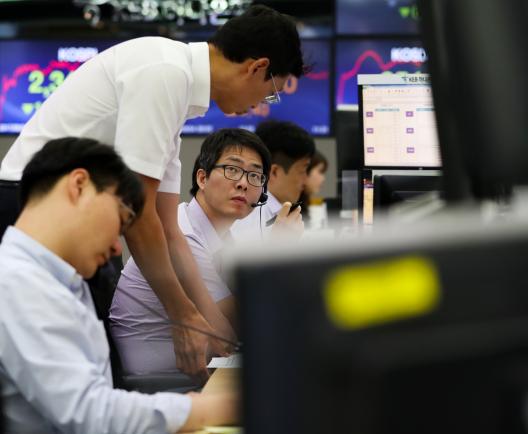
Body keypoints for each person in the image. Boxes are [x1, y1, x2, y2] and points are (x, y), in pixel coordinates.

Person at [0, 4, 307, 380]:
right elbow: (139, 213)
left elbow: (167, 227)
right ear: (257, 67)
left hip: (71, 217)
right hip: (33, 210)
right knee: (81, 377)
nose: (261, 105)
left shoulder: (176, 87)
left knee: (96, 372)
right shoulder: (165, 73)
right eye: (271, 92)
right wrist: (182, 315)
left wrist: (213, 329)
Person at [0, 137, 237, 434]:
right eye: (121, 220)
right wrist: (210, 408)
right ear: (79, 185)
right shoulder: (18, 282)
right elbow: (88, 413)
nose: (116, 247)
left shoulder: (57, 281)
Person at [111, 128, 278, 375]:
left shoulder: (217, 235)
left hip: (186, 366)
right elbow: (230, 328)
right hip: (155, 379)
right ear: (202, 178)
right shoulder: (184, 234)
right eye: (232, 170)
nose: (243, 183)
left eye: (255, 175)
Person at [230, 120, 315, 240]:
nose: (306, 180)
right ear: (274, 172)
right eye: (302, 170)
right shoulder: (248, 220)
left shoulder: (280, 214)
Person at [298, 149, 329, 228]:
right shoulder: (291, 205)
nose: (323, 179)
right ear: (305, 171)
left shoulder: (302, 204)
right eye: (320, 172)